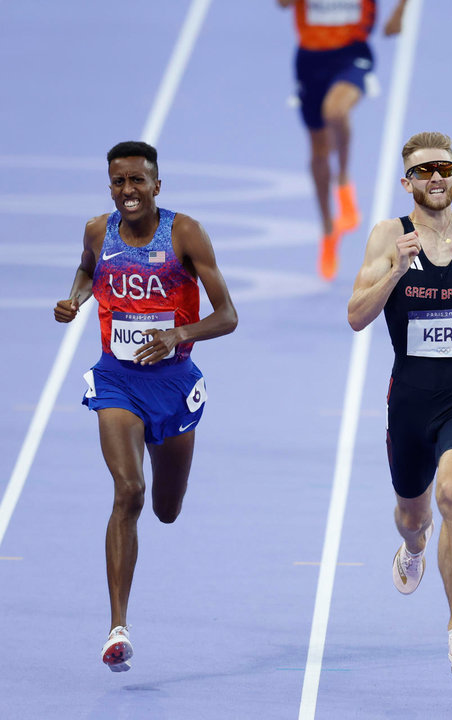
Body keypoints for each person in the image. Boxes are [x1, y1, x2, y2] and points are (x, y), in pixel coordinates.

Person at [53, 141, 238, 672]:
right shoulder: (97, 229)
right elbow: (88, 270)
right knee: (128, 491)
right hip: (118, 381)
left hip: (174, 385)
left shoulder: (185, 233)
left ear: (157, 185)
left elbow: (227, 315)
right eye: (119, 182)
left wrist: (180, 331)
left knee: (165, 509)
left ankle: (164, 482)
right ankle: (117, 627)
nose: (128, 191)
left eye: (138, 181)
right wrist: (76, 298)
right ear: (109, 185)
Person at [346, 131, 452, 676]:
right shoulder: (386, 237)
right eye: (423, 171)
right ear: (407, 183)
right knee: (413, 516)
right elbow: (355, 315)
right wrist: (395, 270)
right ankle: (414, 547)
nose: (435, 178)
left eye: (443, 168)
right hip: (410, 404)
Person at [278, 0, 410, 280]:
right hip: (311, 60)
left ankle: (344, 181)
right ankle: (327, 230)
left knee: (335, 111)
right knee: (318, 150)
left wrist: (400, 12)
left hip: (352, 53)